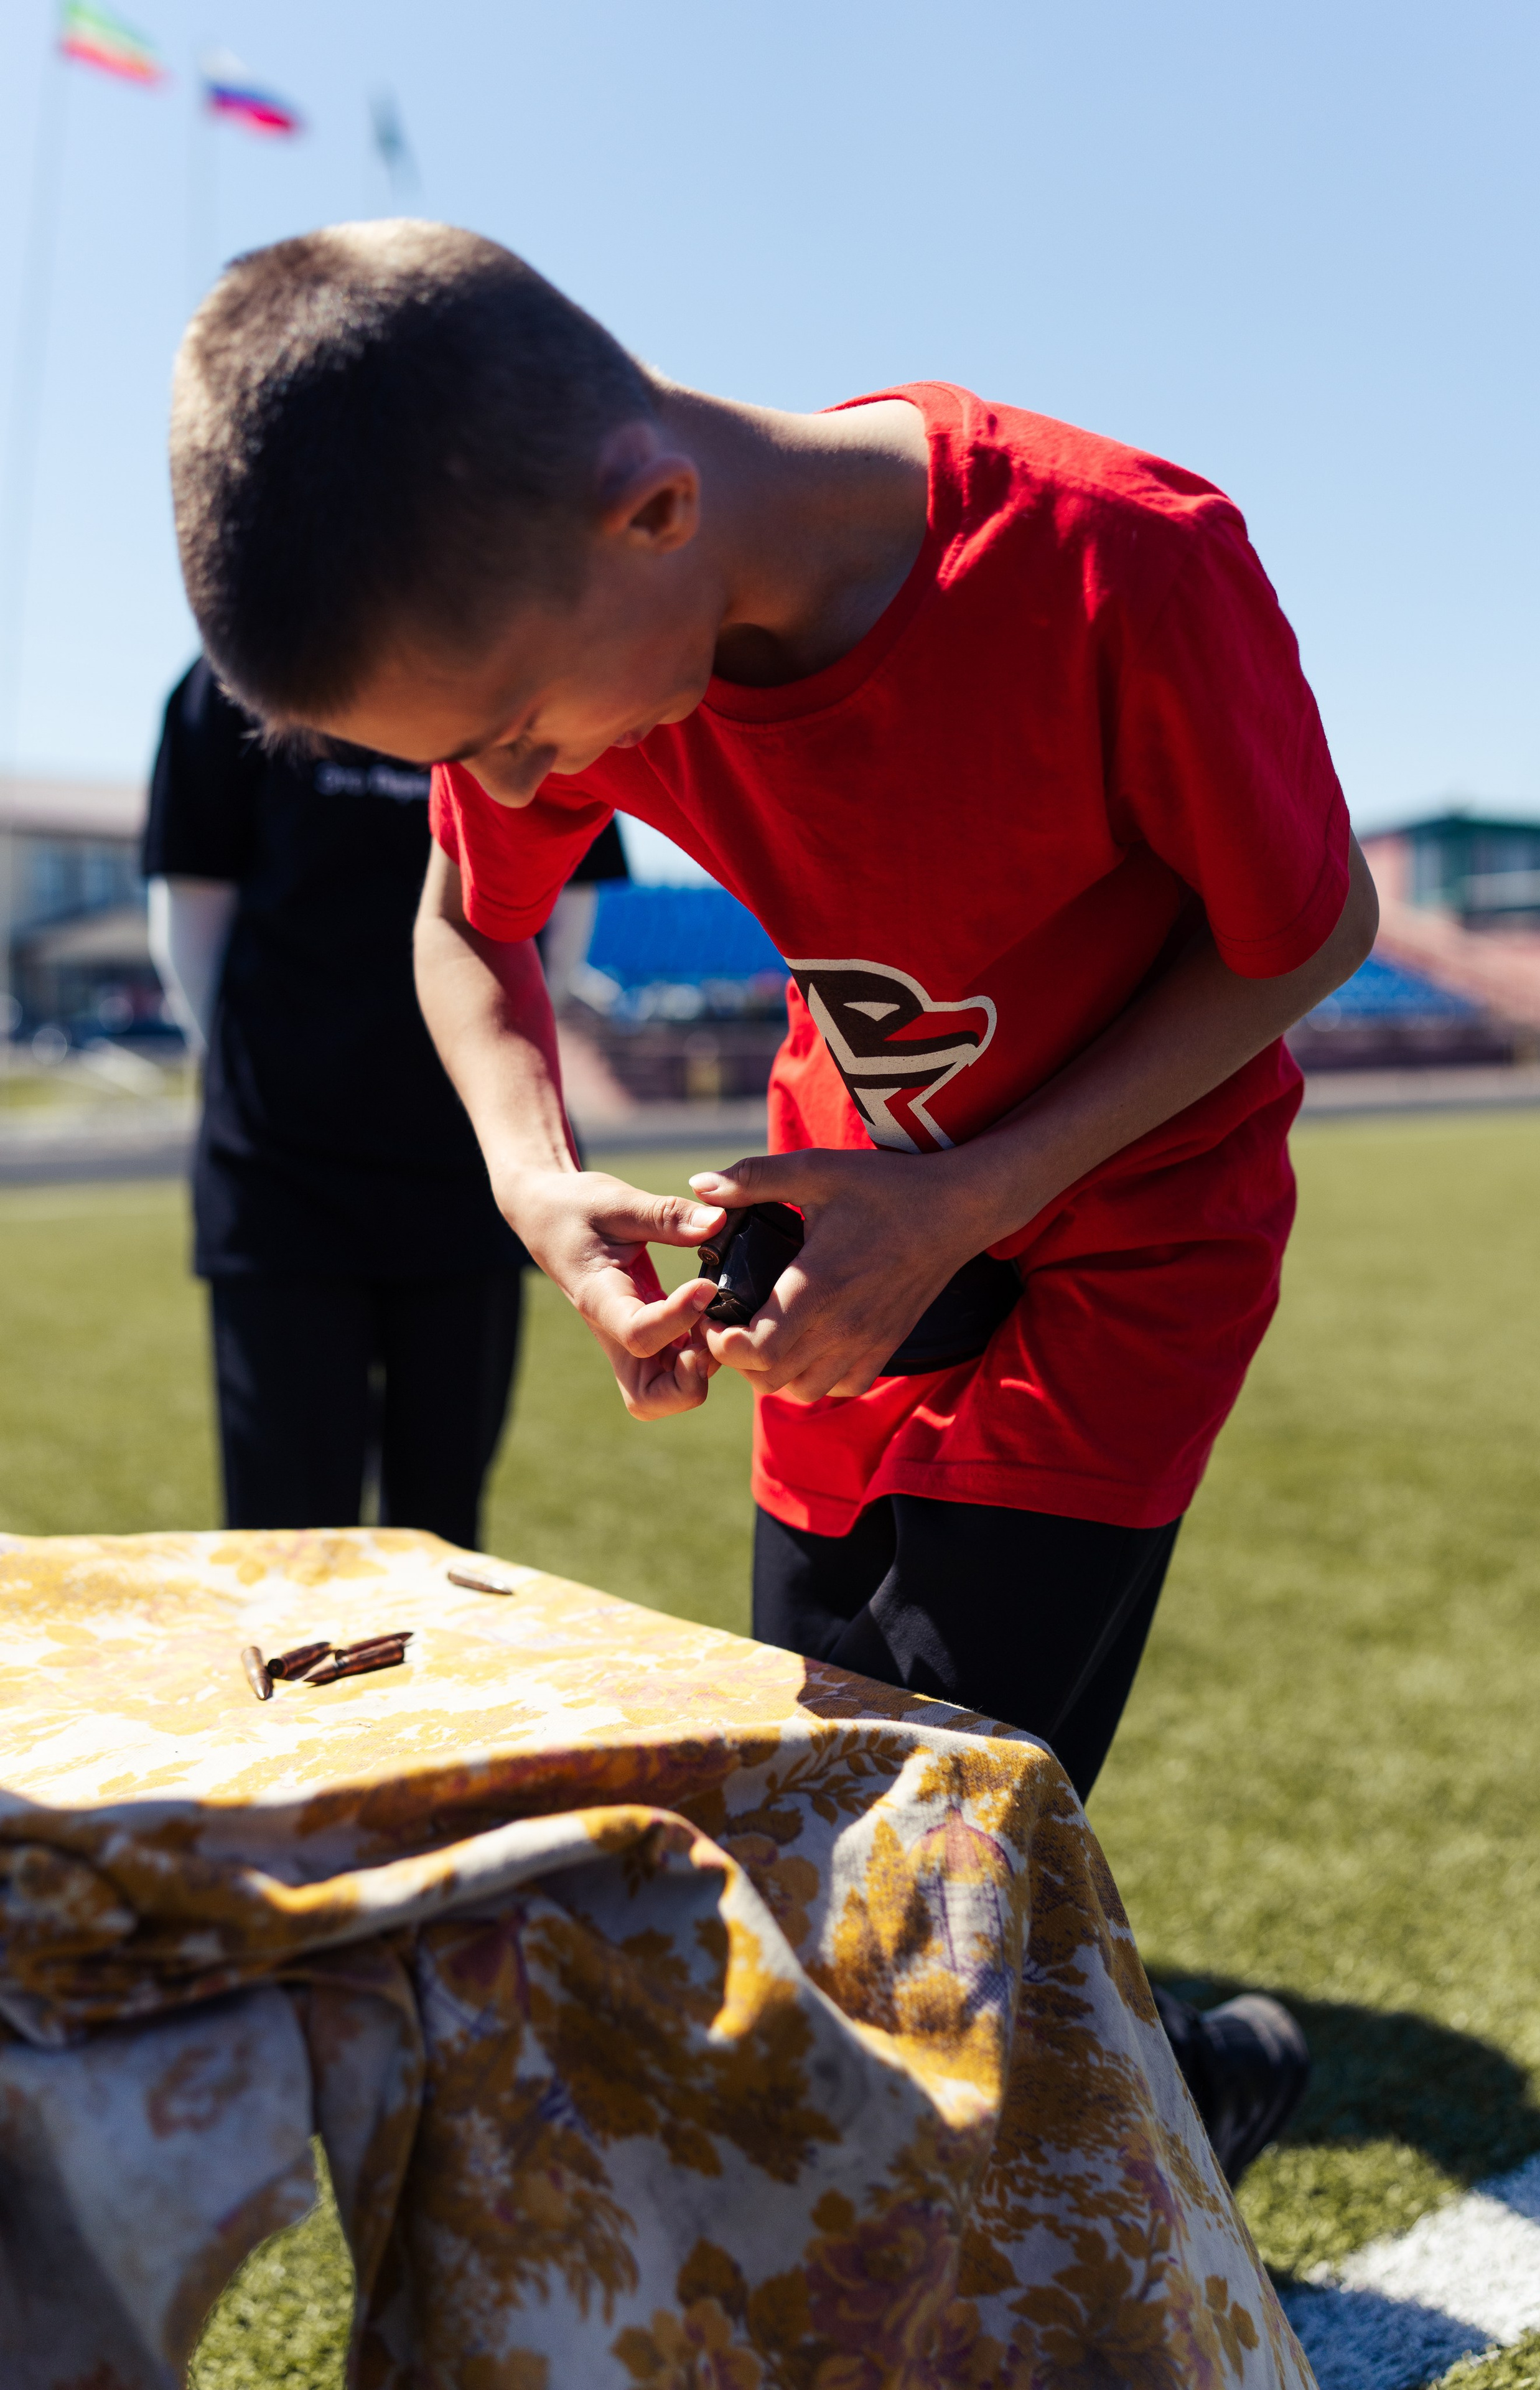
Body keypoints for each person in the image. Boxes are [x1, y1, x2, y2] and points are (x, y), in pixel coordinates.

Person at [164, 220, 1380, 2178]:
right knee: (819, 1819)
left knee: (914, 1831)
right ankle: (1167, 2072)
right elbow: (470, 921)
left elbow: (1314, 927)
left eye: (507, 734)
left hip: (1123, 1247)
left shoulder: (1116, 562)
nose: (525, 778)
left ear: (653, 512)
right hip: (838, 1259)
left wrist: (965, 1201)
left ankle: (1174, 2105)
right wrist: (534, 1174)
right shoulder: (582, 604)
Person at [144, 656, 625, 1549]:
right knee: (284, 1534)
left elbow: (570, 889)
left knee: (441, 1531)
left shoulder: (514, 661)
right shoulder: (233, 681)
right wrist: (282, 1078)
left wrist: (501, 1090)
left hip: (470, 1171)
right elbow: (190, 920)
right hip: (280, 1178)